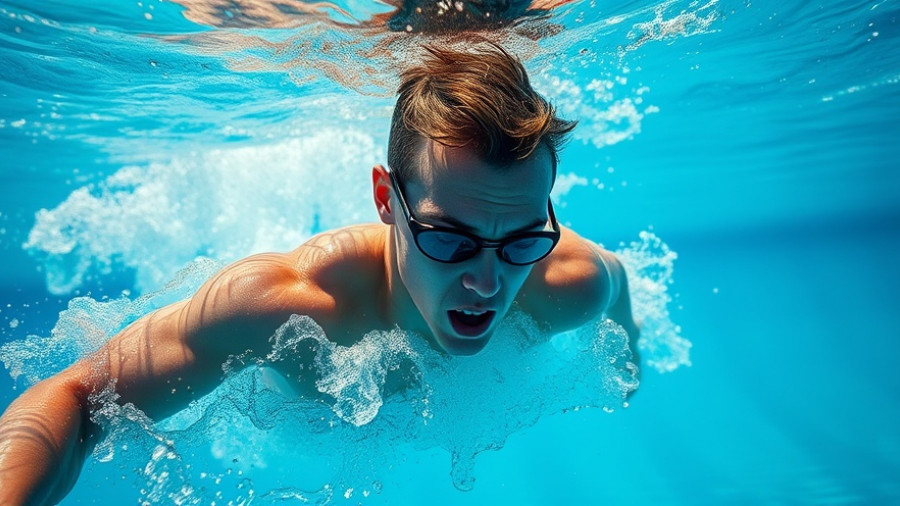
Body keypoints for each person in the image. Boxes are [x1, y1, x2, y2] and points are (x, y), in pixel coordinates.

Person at [0, 42, 639, 504]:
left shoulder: (571, 283)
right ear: (387, 201)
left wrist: (630, 358)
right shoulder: (282, 306)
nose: (489, 282)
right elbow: (76, 396)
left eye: (523, 240)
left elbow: (620, 297)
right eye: (449, 239)